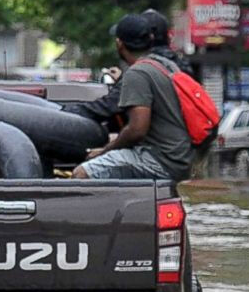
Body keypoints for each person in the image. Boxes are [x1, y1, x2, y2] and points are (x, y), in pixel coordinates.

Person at [73, 14, 197, 181]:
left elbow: (137, 130)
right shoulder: (165, 65)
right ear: (150, 39)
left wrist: (104, 151)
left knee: (81, 173)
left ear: (119, 44)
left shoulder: (137, 73)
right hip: (180, 158)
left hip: (161, 160)